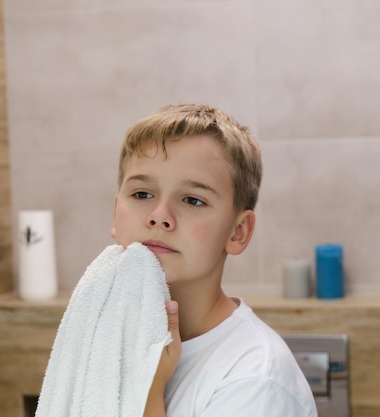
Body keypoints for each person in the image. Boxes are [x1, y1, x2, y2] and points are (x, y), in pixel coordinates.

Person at [110, 104, 318, 417]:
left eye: (193, 200)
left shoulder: (255, 380)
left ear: (237, 232)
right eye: (142, 194)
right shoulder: (106, 341)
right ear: (116, 215)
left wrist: (149, 391)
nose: (158, 216)